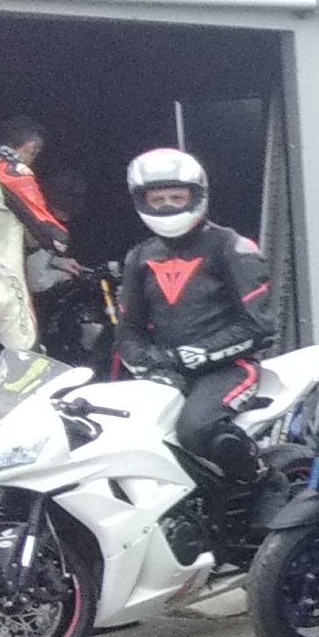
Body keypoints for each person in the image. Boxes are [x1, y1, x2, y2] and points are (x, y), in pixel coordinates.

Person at [115, 148, 276, 497]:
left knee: (195, 428)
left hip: (231, 368)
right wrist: (149, 363)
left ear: (197, 195)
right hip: (167, 371)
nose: (167, 206)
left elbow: (260, 326)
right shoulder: (139, 256)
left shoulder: (232, 246)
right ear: (142, 201)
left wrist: (198, 354)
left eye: (176, 197)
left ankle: (265, 484)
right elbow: (128, 330)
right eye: (157, 199)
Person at [0, 118, 75, 353]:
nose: (32, 160)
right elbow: (53, 237)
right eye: (34, 152)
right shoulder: (10, 171)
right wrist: (61, 238)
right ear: (28, 146)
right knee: (23, 351)